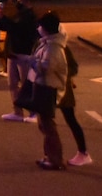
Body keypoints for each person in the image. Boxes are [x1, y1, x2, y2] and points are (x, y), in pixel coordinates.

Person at [29, 10, 68, 170]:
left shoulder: (54, 48)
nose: (39, 28)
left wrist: (32, 63)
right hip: (43, 86)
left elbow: (46, 67)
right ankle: (49, 156)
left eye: (41, 26)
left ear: (46, 28)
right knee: (44, 124)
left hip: (48, 88)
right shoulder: (48, 43)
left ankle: (55, 159)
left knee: (48, 125)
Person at [0, 0, 39, 122]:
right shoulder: (19, 14)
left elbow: (16, 28)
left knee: (26, 85)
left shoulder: (30, 16)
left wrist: (2, 16)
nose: (19, 3)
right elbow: (6, 26)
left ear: (28, 2)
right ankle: (17, 111)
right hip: (13, 54)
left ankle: (33, 112)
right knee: (12, 84)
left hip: (24, 54)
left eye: (21, 1)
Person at [58, 30, 92, 166]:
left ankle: (83, 153)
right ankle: (51, 155)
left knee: (70, 119)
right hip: (50, 87)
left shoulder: (60, 46)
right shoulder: (44, 44)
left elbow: (73, 67)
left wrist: (62, 74)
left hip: (62, 88)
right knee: (46, 121)